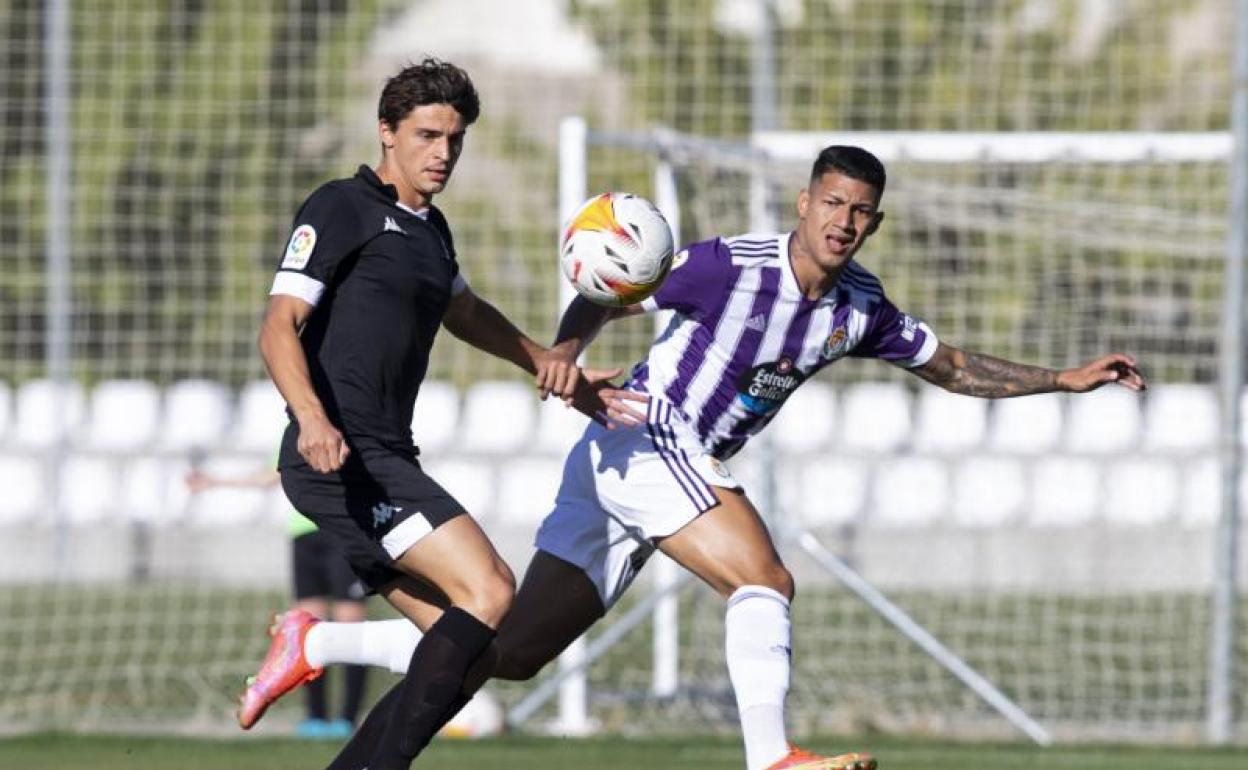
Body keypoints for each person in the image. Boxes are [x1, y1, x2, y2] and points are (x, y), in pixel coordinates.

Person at [243, 145, 1147, 770]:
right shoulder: (728, 264)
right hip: (648, 436)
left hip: (635, 469)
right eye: (831, 203)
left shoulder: (860, 307)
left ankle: (314, 640)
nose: (843, 222)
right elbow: (615, 288)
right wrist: (561, 351)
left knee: (505, 653)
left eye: (860, 213)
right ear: (805, 202)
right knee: (764, 579)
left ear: (873, 224)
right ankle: (772, 756)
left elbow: (950, 366)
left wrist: (1063, 382)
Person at [237, 57, 636, 770]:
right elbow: (277, 326)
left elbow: (464, 312)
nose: (443, 153)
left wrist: (549, 364)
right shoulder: (340, 207)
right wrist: (313, 419)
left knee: (471, 655)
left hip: (387, 455)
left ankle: (322, 674)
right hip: (344, 456)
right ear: (386, 132)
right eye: (427, 135)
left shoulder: (431, 231)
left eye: (454, 139)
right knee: (490, 588)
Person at [186, 465, 368, 739]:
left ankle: (347, 718)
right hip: (304, 535)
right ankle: (315, 717)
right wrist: (217, 481)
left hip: (344, 529)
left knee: (350, 626)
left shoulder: (351, 423)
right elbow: (276, 473)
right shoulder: (295, 426)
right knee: (306, 630)